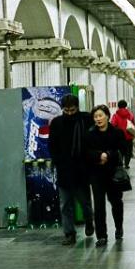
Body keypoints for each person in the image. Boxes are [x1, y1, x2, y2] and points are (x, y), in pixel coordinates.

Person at [48, 94, 94, 245]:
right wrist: (57, 161)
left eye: (72, 110)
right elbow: (52, 145)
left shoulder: (86, 119)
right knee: (65, 204)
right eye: (66, 110)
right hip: (64, 170)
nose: (69, 113)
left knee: (85, 203)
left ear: (77, 108)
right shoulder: (57, 123)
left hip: (82, 170)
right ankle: (69, 233)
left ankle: (89, 221)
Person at [85, 105, 127, 247]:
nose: (98, 119)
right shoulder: (90, 134)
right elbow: (86, 152)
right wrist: (99, 155)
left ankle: (119, 227)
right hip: (96, 174)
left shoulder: (117, 133)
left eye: (100, 115)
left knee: (116, 202)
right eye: (95, 116)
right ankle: (101, 236)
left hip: (113, 173)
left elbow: (123, 149)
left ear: (107, 116)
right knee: (99, 205)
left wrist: (108, 154)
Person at [110, 100, 135, 168]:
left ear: (118, 106)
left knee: (121, 151)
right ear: (126, 106)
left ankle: (121, 163)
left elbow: (113, 124)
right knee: (128, 151)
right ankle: (126, 164)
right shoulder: (130, 114)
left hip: (119, 137)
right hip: (129, 135)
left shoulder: (115, 115)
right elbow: (133, 124)